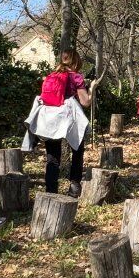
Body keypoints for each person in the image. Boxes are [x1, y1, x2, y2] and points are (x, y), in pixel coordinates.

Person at [24, 49, 92, 195]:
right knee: (77, 149)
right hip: (68, 117)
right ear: (75, 61)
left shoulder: (52, 75)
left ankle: (51, 191)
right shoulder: (76, 77)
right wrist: (91, 90)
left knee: (52, 157)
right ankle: (74, 186)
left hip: (50, 119)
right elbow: (85, 102)